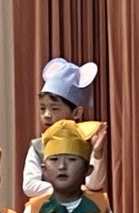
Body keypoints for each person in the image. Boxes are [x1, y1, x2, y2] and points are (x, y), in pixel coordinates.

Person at [22, 57, 108, 198]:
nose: (47, 115)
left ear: (77, 113)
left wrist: (97, 153)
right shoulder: (38, 146)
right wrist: (68, 188)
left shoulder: (88, 142)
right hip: (48, 209)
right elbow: (29, 185)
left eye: (55, 109)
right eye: (42, 108)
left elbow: (94, 185)